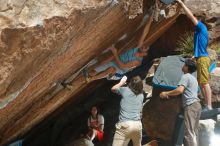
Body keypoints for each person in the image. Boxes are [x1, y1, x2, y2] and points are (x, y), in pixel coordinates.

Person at [176, 0, 212, 110]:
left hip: (203, 59)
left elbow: (191, 16)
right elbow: (200, 47)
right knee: (202, 83)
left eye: (195, 18)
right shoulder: (199, 31)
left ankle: (209, 106)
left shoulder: (201, 27)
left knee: (204, 83)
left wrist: (181, 4)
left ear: (198, 18)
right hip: (200, 58)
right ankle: (207, 105)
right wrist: (194, 56)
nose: (192, 20)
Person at [160, 59, 201, 146]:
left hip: (191, 106)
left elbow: (180, 90)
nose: (182, 66)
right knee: (194, 132)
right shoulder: (194, 79)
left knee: (189, 133)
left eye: (184, 65)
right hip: (197, 105)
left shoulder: (185, 76)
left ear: (187, 67)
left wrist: (166, 93)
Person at [111, 76, 144, 146]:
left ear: (130, 83)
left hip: (124, 125)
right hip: (137, 126)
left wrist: (121, 82)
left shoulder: (125, 90)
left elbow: (113, 89)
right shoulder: (141, 95)